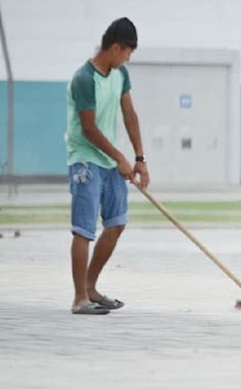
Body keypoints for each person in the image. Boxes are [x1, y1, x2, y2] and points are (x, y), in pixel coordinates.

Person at [65, 17, 149, 315]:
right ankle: (79, 299)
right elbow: (88, 129)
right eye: (127, 52)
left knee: (116, 224)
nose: (128, 58)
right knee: (84, 230)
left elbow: (129, 114)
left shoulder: (120, 74)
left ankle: (91, 288)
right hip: (85, 161)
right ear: (115, 47)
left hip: (110, 161)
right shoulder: (84, 79)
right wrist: (120, 157)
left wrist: (139, 158)